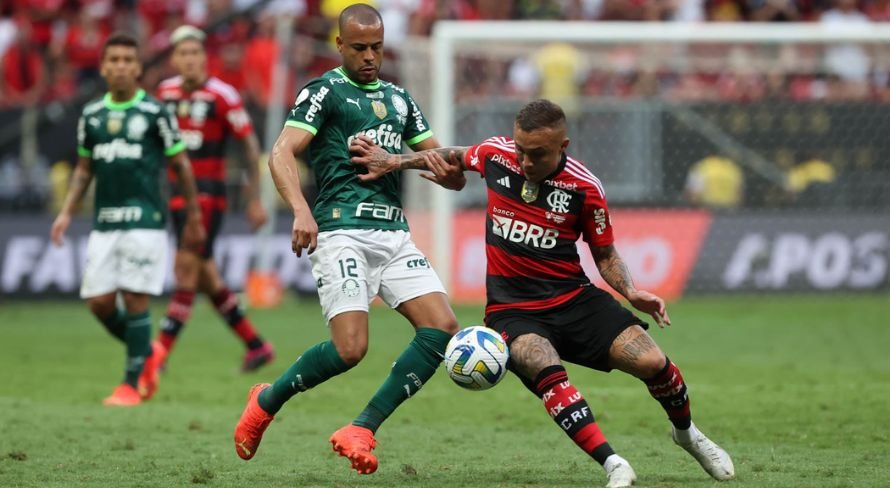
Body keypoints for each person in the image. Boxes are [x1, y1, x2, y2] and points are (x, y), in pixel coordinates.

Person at [349, 99, 735, 487]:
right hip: (513, 311)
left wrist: (631, 291)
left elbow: (604, 254)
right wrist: (395, 161)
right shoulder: (497, 155)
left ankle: (687, 435)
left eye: (536, 154)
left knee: (652, 361)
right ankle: (613, 463)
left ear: (562, 147)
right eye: (520, 150)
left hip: (575, 298)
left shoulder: (585, 188)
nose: (525, 161)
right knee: (542, 364)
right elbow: (455, 154)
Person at [232, 3, 464, 475]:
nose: (369, 57)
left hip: (394, 234)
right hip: (341, 231)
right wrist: (300, 208)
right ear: (339, 45)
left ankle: (361, 428)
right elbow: (281, 153)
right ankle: (266, 401)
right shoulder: (324, 91)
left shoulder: (400, 100)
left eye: (376, 47)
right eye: (359, 48)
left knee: (442, 327)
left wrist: (416, 163)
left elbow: (452, 175)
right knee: (350, 350)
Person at [50, 32, 205, 407]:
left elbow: (180, 163)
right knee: (99, 303)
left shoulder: (154, 112)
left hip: (145, 220)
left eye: (126, 60)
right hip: (105, 222)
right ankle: (148, 354)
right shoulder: (92, 114)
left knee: (136, 299)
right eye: (113, 59)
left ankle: (131, 384)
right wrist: (67, 211)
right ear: (103, 67)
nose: (120, 66)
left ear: (137, 68)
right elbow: (85, 169)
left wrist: (194, 213)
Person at [147, 25, 274, 376]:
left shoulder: (223, 95)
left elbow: (249, 147)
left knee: (186, 269)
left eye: (195, 53)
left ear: (205, 57)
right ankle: (257, 345)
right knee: (207, 277)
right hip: (174, 191)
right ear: (174, 59)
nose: (189, 59)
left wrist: (253, 198)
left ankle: (156, 356)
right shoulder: (165, 92)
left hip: (207, 195)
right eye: (183, 53)